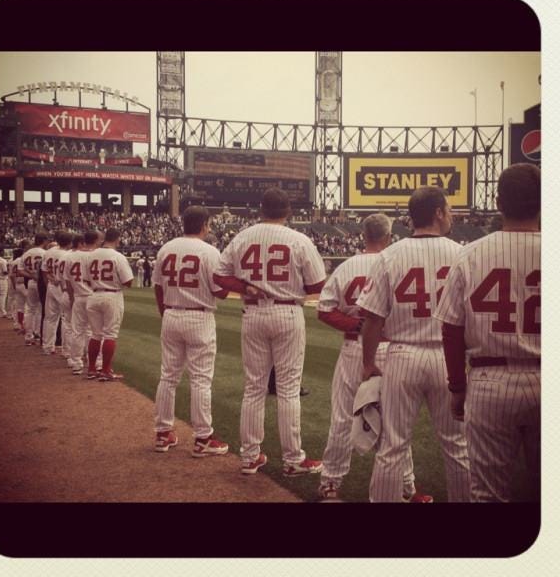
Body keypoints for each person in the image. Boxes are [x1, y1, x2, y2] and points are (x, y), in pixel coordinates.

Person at [434, 163, 541, 502]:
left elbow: (451, 327)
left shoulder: (469, 253)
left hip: (489, 381)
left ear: (498, 202)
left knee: (487, 496)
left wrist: (456, 386)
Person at [358, 187, 471, 502]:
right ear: (437, 212)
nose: (450, 214)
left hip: (403, 354)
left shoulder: (389, 255)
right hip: (448, 357)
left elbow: (372, 318)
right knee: (457, 446)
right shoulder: (462, 253)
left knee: (393, 445)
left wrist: (368, 363)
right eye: (447, 209)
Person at [316, 213, 432, 503]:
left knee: (342, 417)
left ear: (363, 234)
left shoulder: (347, 266)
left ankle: (330, 483)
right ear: (389, 234)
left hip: (355, 347)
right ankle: (406, 488)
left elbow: (324, 310)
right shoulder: (397, 261)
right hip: (392, 349)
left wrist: (356, 325)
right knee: (395, 422)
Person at [214, 187, 326, 476]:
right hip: (288, 311)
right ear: (288, 211)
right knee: (288, 390)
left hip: (253, 312)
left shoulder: (243, 236)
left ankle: (249, 457)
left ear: (260, 210)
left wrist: (245, 286)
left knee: (254, 388)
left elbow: (219, 276)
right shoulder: (299, 239)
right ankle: (293, 460)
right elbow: (317, 287)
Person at [152, 206, 230, 457]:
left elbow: (157, 286)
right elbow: (221, 292)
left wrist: (166, 312)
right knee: (200, 379)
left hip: (172, 313)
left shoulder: (166, 248)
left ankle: (163, 433)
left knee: (168, 376)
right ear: (204, 224)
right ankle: (203, 437)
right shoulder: (209, 251)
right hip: (199, 316)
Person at [84, 227, 133, 381]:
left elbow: (85, 279)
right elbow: (128, 281)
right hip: (112, 295)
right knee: (110, 334)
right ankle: (105, 371)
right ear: (117, 239)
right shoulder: (117, 256)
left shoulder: (91, 255)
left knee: (96, 334)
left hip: (93, 294)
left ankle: (92, 369)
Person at [64, 231, 102, 376]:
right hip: (94, 295)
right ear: (96, 240)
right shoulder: (97, 255)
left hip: (79, 295)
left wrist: (72, 296)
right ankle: (96, 363)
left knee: (78, 331)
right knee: (96, 332)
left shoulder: (70, 256)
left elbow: (67, 281)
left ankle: (76, 363)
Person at [40, 232, 73, 356]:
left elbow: (43, 271)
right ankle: (66, 350)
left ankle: (47, 347)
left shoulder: (49, 251)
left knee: (50, 318)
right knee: (66, 318)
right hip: (62, 287)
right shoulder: (68, 254)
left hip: (51, 285)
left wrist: (48, 282)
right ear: (70, 243)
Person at [18, 233, 49, 345]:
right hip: (42, 283)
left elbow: (20, 270)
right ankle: (39, 334)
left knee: (30, 309)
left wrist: (31, 275)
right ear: (44, 241)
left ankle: (28, 336)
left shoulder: (26, 253)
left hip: (31, 282)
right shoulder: (45, 253)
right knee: (42, 309)